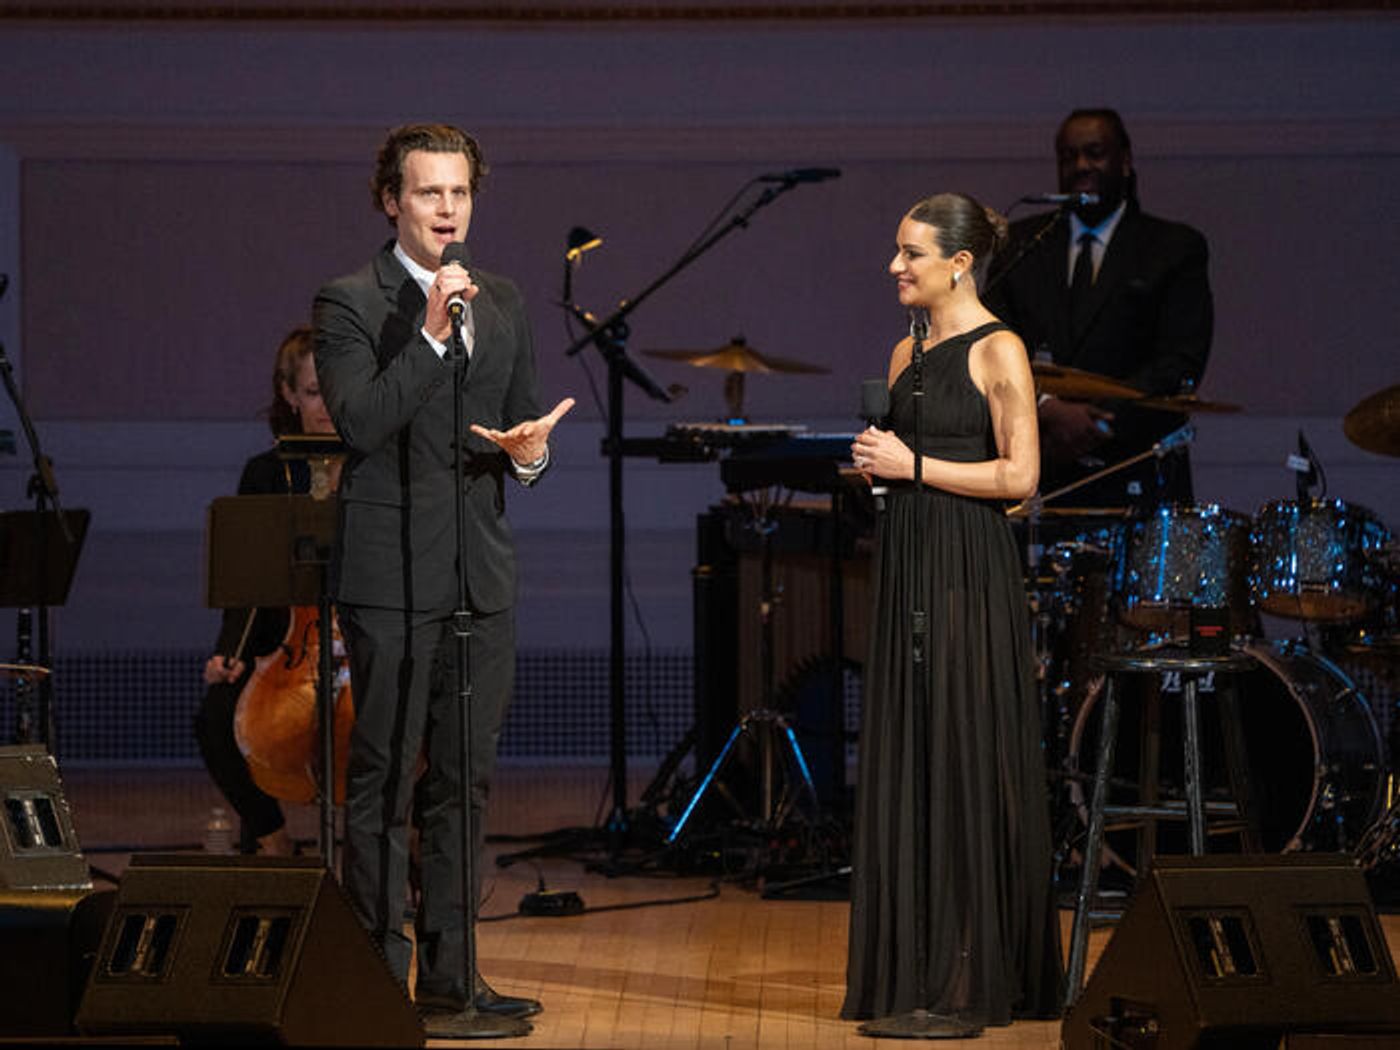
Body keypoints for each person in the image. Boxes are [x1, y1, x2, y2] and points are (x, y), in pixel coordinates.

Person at [312, 122, 573, 1028]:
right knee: (381, 781)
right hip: (390, 577)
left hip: (480, 573)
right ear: (392, 200)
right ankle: (377, 983)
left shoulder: (500, 299)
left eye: (459, 192)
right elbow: (358, 423)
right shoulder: (350, 302)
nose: (448, 209)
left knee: (462, 783)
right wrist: (424, 340)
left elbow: (514, 430)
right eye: (429, 193)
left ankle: (456, 980)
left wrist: (529, 454)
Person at [843, 193, 1063, 1035]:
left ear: (960, 263)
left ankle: (971, 985)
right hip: (909, 568)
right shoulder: (909, 349)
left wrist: (915, 462)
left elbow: (1019, 479)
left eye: (912, 253)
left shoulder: (998, 347)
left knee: (965, 757)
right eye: (897, 251)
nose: (896, 267)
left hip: (969, 575)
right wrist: (877, 467)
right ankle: (920, 974)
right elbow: (909, 466)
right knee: (915, 757)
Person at [986, 108, 1213, 506]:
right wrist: (1047, 410)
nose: (1080, 166)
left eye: (1094, 153)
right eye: (1068, 157)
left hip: (1138, 469)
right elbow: (990, 347)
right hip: (1042, 470)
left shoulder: (1173, 248)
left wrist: (1090, 421)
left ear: (1125, 162)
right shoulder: (1020, 245)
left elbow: (1180, 360)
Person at [196, 324, 334, 857]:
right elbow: (248, 582)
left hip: (367, 642)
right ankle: (275, 843)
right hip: (286, 645)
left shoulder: (377, 467)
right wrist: (231, 651)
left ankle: (406, 846)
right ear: (289, 395)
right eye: (314, 391)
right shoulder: (265, 473)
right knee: (216, 719)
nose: (326, 405)